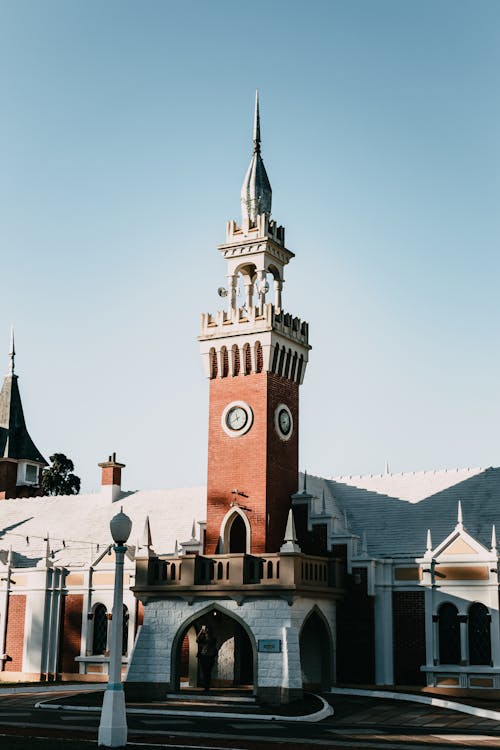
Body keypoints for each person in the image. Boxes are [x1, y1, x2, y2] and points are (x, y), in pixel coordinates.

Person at [196, 624, 217, 691]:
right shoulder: (203, 638)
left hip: (210, 656)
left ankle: (207, 685)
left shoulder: (212, 638)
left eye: (207, 629)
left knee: (208, 671)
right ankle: (206, 685)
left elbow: (210, 641)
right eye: (206, 629)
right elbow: (197, 640)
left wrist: (205, 633)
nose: (206, 630)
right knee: (204, 671)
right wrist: (201, 631)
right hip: (203, 656)